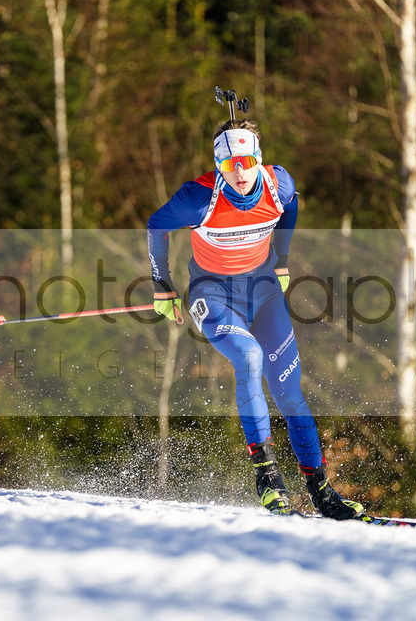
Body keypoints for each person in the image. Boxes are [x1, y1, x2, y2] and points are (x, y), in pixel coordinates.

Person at [146, 118, 365, 520]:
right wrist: (163, 284)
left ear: (258, 158)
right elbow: (157, 225)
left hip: (263, 294)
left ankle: (322, 492)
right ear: (218, 166)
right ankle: (268, 478)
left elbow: (291, 205)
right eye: (229, 165)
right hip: (213, 295)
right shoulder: (198, 198)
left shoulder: (277, 183)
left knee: (288, 390)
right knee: (248, 357)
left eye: (246, 161)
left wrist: (281, 261)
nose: (240, 172)